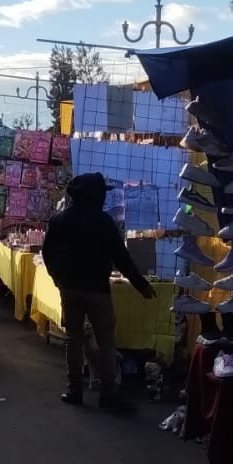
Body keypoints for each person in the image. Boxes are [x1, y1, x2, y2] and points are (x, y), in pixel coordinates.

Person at [41, 172, 155, 411]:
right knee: (106, 344)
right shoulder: (104, 222)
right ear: (96, 195)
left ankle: (74, 390)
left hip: (69, 289)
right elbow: (121, 258)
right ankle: (108, 393)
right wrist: (141, 285)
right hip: (98, 291)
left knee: (73, 340)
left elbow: (47, 253)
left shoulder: (60, 220)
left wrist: (57, 278)